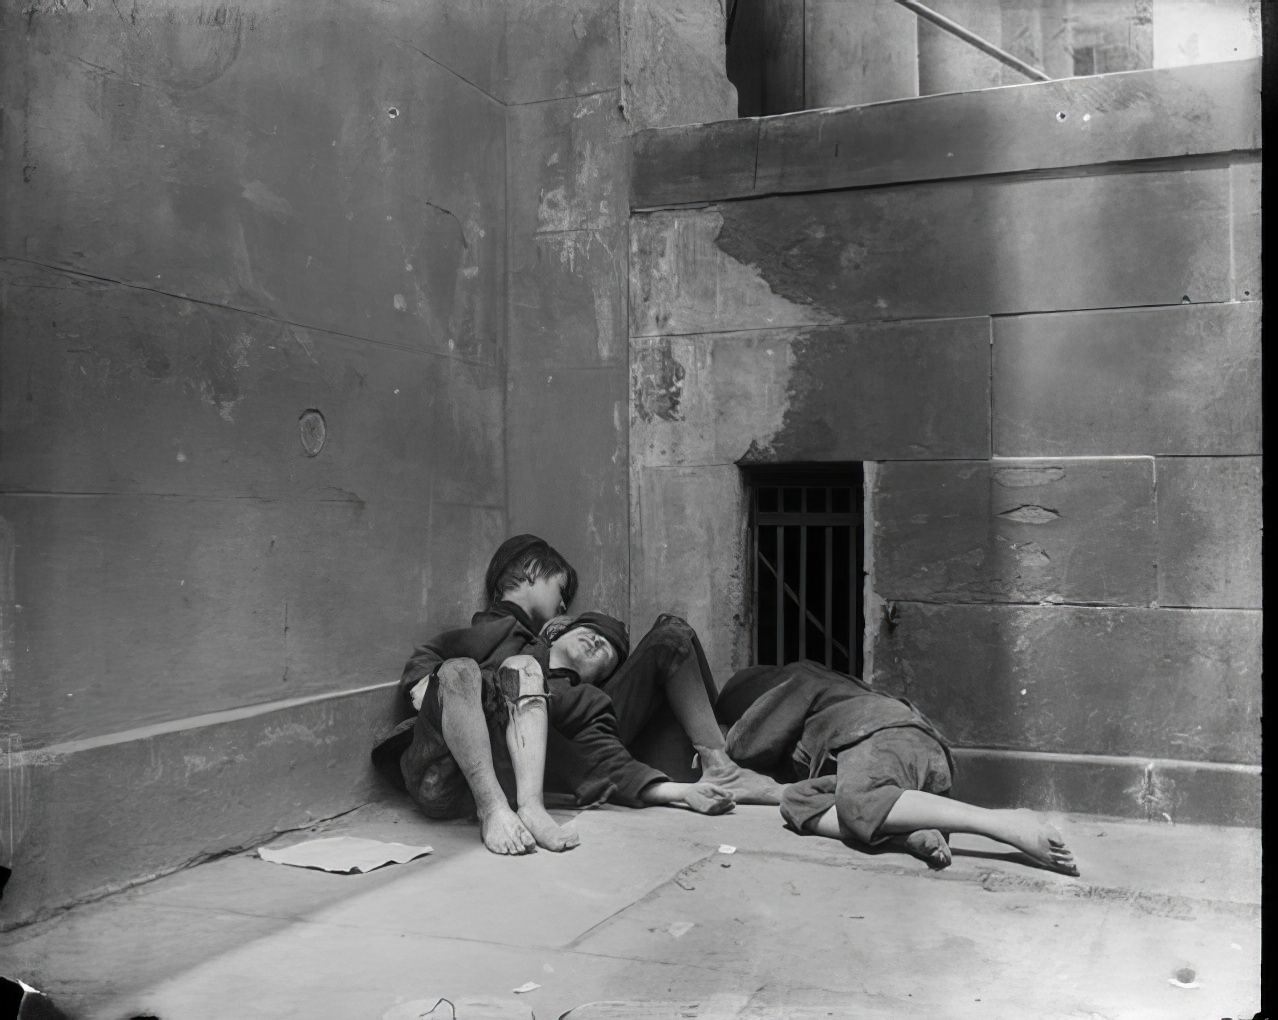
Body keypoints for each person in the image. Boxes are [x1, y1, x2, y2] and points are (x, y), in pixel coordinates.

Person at [371, 535, 734, 855]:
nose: (563, 606)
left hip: (502, 766)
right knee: (461, 670)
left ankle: (530, 807)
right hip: (443, 767)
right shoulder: (492, 630)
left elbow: (593, 759)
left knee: (522, 669)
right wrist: (440, 694)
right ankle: (493, 809)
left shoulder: (547, 669)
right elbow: (425, 663)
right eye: (561, 592)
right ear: (530, 572)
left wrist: (678, 794)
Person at [715, 660, 1080, 876]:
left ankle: (1002, 823)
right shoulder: (829, 689)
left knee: (859, 801)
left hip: (885, 738)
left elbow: (745, 745)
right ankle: (904, 836)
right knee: (795, 801)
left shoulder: (799, 679)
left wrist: (722, 741)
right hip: (901, 762)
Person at [541, 611, 785, 805]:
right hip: (566, 751)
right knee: (668, 638)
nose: (596, 640)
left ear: (604, 677)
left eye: (607, 648)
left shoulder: (593, 703)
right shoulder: (520, 656)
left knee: (674, 634)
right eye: (589, 630)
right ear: (555, 635)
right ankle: (722, 763)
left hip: (613, 743)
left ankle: (720, 763)